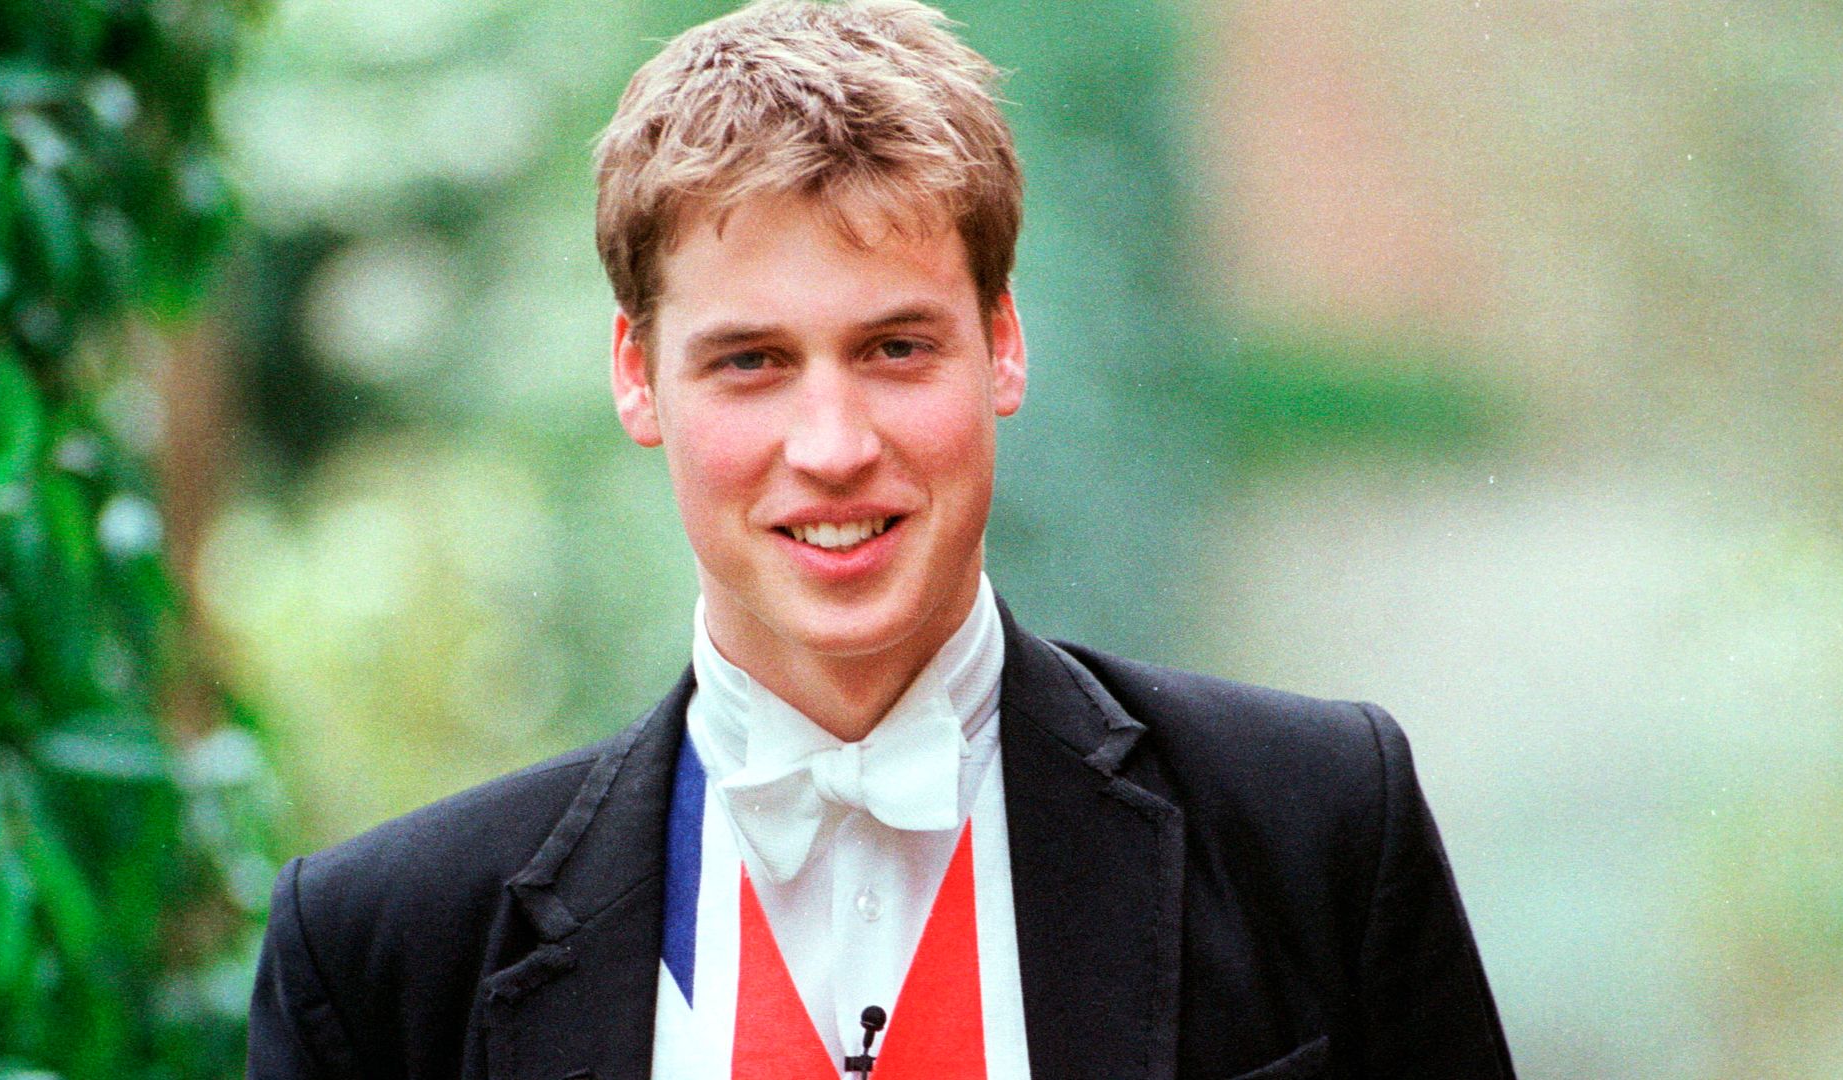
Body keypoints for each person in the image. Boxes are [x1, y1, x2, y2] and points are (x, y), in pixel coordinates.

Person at [247, 2, 1515, 1077]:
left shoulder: (1318, 828)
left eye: (894, 347)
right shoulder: (381, 956)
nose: (835, 442)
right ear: (637, 378)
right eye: (750, 362)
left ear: (1002, 343)